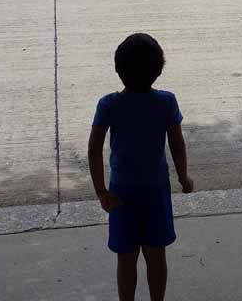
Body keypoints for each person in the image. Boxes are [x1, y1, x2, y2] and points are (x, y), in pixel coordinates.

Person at [88, 33, 195, 301]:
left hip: (120, 193)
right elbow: (177, 145)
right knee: (156, 255)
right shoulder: (166, 102)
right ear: (158, 70)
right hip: (156, 193)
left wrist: (101, 191)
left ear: (118, 69)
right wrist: (184, 177)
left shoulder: (108, 104)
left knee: (126, 258)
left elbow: (94, 150)